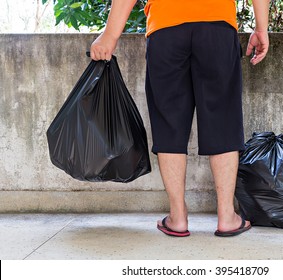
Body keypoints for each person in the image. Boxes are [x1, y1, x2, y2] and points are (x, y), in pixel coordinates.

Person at [90, 0, 270, 237]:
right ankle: (227, 217)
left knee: (169, 123)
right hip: (216, 26)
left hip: (166, 29)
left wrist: (110, 35)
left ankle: (177, 217)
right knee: (223, 120)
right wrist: (261, 28)